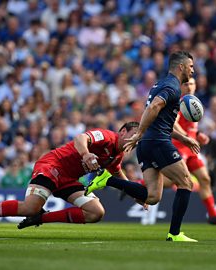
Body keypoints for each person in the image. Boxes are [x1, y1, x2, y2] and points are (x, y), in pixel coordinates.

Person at [86, 51, 200, 242]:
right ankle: (175, 233)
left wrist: (185, 138)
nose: (193, 70)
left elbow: (162, 120)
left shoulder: (159, 85)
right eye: (190, 66)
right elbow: (153, 107)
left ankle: (107, 180)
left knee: (153, 197)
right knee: (186, 183)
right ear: (180, 67)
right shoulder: (172, 86)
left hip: (147, 144)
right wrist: (139, 132)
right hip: (158, 142)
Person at [0, 122, 140, 237]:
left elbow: (118, 175)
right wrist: (85, 154)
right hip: (52, 166)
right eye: (133, 135)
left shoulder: (117, 155)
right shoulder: (107, 136)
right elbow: (81, 137)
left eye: (138, 139)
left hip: (69, 179)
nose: (135, 140)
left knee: (96, 212)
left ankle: (41, 218)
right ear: (123, 131)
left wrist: (135, 194)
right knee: (29, 207)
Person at [172, 78, 216, 226]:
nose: (189, 86)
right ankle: (141, 184)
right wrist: (186, 137)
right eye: (186, 84)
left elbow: (190, 128)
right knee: (173, 179)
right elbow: (173, 123)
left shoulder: (194, 102)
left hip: (191, 148)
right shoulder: (179, 102)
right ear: (181, 86)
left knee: (205, 178)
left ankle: (212, 215)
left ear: (196, 86)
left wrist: (198, 136)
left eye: (191, 84)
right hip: (179, 146)